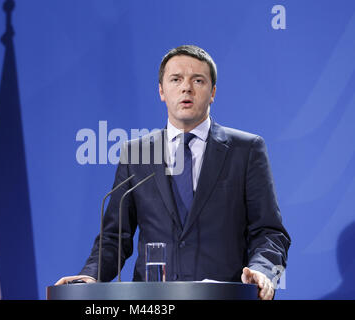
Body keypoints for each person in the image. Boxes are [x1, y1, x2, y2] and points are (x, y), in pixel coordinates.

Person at [55, 45, 291, 300]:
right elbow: (115, 236)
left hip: (223, 296)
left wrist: (261, 270)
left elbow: (270, 232)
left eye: (198, 80)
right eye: (176, 79)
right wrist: (90, 276)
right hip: (152, 301)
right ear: (161, 91)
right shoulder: (137, 154)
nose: (186, 88)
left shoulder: (245, 149)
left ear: (212, 92)